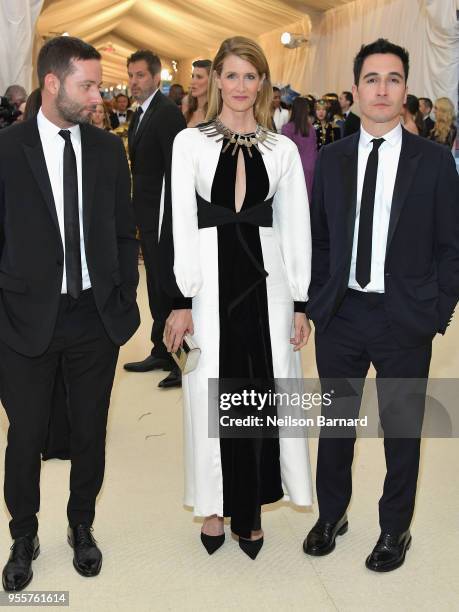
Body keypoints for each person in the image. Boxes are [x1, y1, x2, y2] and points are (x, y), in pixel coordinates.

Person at [304, 38, 459, 572]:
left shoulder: (435, 163)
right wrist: (319, 303)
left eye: (393, 79)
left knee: (400, 432)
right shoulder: (332, 159)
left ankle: (395, 529)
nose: (382, 89)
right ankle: (332, 516)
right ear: (355, 90)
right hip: (343, 315)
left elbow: (451, 247)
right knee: (336, 425)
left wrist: (436, 311)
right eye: (372, 79)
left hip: (405, 319)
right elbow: (320, 239)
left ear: (406, 91)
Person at [0, 35, 140, 591]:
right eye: (86, 85)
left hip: (93, 320)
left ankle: (81, 526)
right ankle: (23, 534)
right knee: (25, 436)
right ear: (52, 84)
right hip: (23, 320)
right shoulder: (7, 150)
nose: (97, 95)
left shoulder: (107, 150)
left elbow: (123, 231)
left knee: (89, 432)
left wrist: (123, 295)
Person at [164, 36, 312, 560]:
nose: (241, 86)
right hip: (207, 285)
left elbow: (296, 228)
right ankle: (211, 505)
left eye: (251, 76)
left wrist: (300, 302)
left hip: (267, 285)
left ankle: (249, 510)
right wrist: (180, 298)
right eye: (231, 75)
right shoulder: (190, 143)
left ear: (263, 82)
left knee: (261, 392)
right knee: (210, 390)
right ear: (216, 81)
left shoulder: (283, 149)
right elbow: (176, 224)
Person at [123, 50, 186, 388]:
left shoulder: (167, 114)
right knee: (156, 287)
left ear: (156, 78)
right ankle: (161, 349)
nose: (134, 82)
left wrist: (172, 222)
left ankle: (182, 361)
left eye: (140, 75)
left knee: (172, 288)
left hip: (165, 219)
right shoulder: (141, 114)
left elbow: (176, 171)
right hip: (147, 216)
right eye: (131, 75)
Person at [281, 96, 318, 201]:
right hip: (312, 166)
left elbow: (287, 153)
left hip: (295, 168)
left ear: (293, 110)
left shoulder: (287, 128)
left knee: (295, 200)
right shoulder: (311, 128)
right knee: (308, 199)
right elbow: (314, 149)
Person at [184, 59, 212, 127]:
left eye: (199, 77)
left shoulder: (217, 113)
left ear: (211, 81)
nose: (192, 82)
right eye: (193, 76)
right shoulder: (188, 113)